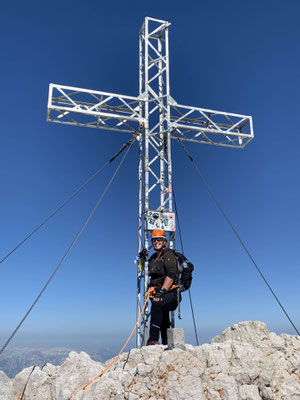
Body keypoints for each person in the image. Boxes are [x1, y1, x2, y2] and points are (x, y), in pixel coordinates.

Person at [146, 229, 179, 345]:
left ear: (164, 241)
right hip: (159, 291)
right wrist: (142, 259)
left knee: (157, 304)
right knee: (163, 317)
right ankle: (166, 342)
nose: (156, 242)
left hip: (170, 293)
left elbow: (171, 274)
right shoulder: (153, 258)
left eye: (159, 239)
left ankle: (153, 339)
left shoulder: (168, 254)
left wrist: (162, 290)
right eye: (154, 240)